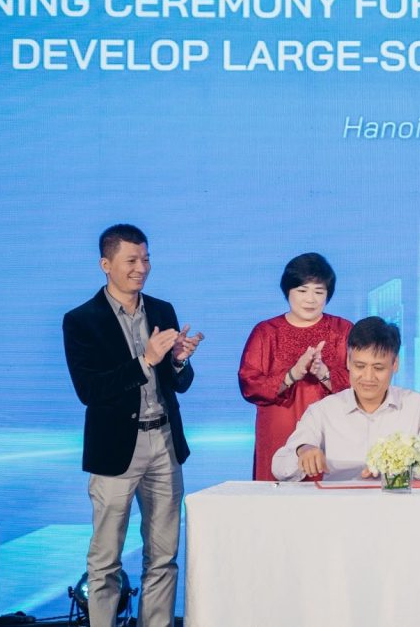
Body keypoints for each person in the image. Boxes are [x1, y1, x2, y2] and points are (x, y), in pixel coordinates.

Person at [62, 224, 204, 627]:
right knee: (105, 559)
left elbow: (178, 384)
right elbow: (90, 390)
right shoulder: (81, 320)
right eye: (131, 260)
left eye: (146, 258)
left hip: (164, 442)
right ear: (106, 264)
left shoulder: (162, 310)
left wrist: (179, 360)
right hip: (115, 450)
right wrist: (146, 361)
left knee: (163, 556)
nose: (141, 267)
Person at [272, 316, 420, 481]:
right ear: (348, 362)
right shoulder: (323, 410)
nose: (368, 377)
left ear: (395, 364)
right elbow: (279, 468)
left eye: (378, 368)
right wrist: (303, 450)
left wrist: (403, 463)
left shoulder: (419, 407)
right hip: (339, 503)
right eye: (359, 366)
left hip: (398, 501)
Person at [239, 253, 352, 481]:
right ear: (287, 291)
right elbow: (249, 384)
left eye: (319, 292)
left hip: (329, 433)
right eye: (302, 290)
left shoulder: (343, 330)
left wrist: (325, 374)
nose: (310, 299)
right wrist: (291, 375)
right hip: (278, 433)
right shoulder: (266, 332)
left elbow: (361, 381)